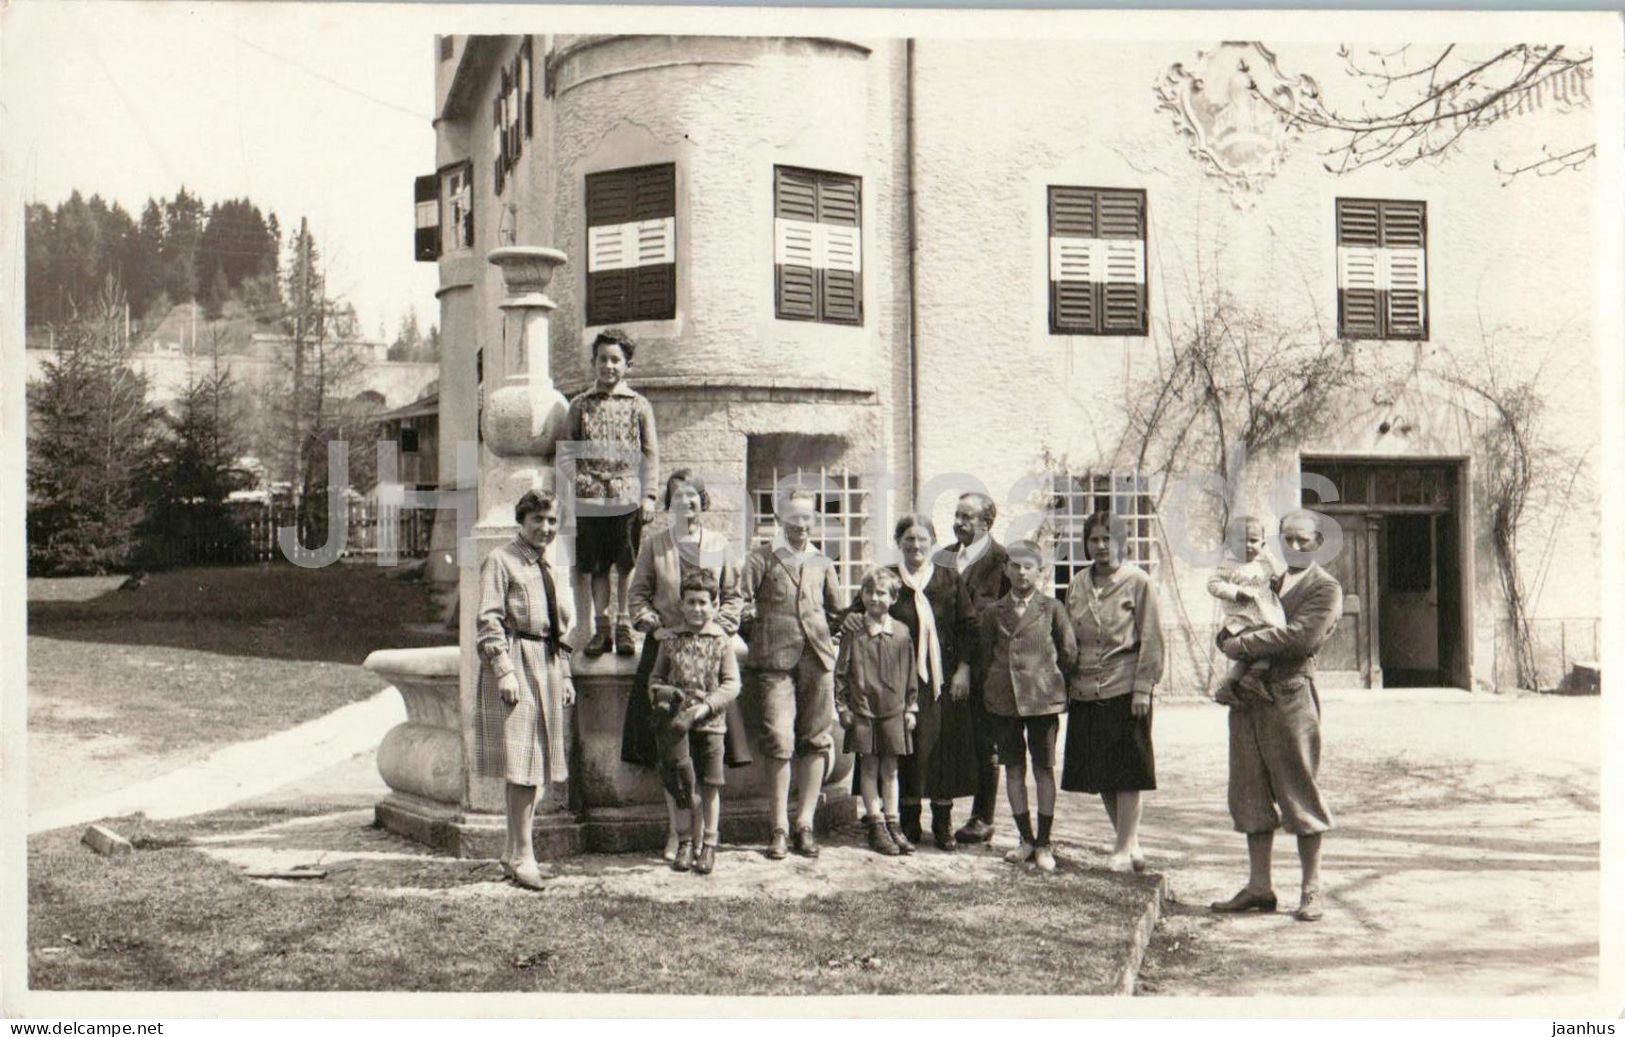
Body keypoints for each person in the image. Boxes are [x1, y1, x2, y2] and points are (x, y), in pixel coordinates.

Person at [1211, 509, 1342, 923]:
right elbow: (1229, 624)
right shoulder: (1267, 579)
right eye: (1288, 538)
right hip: (1248, 699)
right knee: (1248, 791)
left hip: (1290, 696)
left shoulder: (1325, 588)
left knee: (1298, 789)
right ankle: (1259, 886)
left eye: (1304, 539)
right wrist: (1229, 639)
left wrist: (1240, 646)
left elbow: (1300, 637)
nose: (1296, 546)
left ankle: (1311, 889)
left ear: (1319, 543)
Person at [624, 469, 751, 861]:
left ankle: (707, 838)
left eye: (694, 496)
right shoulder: (654, 544)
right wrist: (655, 628)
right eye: (679, 496)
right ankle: (675, 833)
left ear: (703, 501)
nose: (687, 503)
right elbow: (637, 597)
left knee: (708, 754)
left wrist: (718, 629)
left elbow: (734, 596)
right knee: (670, 751)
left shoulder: (718, 544)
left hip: (709, 656)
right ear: (669, 502)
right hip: (667, 649)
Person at [842, 513, 981, 849]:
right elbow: (852, 613)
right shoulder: (888, 579)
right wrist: (851, 620)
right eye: (909, 539)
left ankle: (943, 820)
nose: (915, 546)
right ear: (899, 542)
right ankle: (906, 820)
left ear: (932, 543)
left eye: (922, 539)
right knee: (903, 748)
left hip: (942, 679)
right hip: (894, 681)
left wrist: (963, 670)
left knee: (941, 749)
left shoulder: (948, 579)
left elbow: (969, 628)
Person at [472, 489, 576, 891]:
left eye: (552, 521)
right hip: (517, 662)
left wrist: (564, 674)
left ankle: (514, 851)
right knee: (521, 764)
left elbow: (558, 628)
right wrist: (504, 671)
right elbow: (489, 621)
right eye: (539, 520)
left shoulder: (548, 566)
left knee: (536, 766)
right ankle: (521, 855)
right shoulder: (502, 561)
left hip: (545, 663)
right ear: (522, 520)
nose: (546, 528)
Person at [740, 486, 844, 861]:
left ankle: (805, 824)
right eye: (794, 518)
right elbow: (739, 602)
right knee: (780, 739)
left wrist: (833, 640)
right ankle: (779, 827)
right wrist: (756, 634)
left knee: (817, 739)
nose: (801, 525)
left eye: (807, 518)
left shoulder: (822, 562)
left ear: (814, 520)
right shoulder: (762, 558)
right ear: (780, 518)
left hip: (817, 661)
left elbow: (837, 611)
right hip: (774, 663)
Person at [1061, 511, 1164, 873]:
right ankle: (1129, 843)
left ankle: (1122, 846)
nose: (1101, 546)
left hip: (1124, 685)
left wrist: (1143, 689)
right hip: (1086, 688)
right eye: (1094, 539)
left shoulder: (1139, 582)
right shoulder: (1077, 583)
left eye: (1109, 538)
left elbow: (1151, 637)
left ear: (1123, 542)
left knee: (1127, 770)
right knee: (1102, 771)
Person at [973, 539, 1077, 873]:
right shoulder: (993, 612)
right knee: (1013, 769)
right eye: (1015, 566)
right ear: (1005, 569)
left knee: (1043, 769)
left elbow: (1069, 653)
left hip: (1042, 701)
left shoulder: (1052, 609)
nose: (1021, 573)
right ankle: (1025, 839)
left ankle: (1045, 842)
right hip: (1004, 702)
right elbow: (984, 656)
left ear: (1039, 571)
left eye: (1028, 566)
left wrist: (1055, 686)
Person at [563, 328, 659, 658]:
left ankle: (624, 626)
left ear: (627, 365)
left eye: (616, 360)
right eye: (602, 359)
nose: (609, 366)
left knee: (625, 563)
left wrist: (649, 496)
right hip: (589, 496)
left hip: (627, 494)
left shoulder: (639, 405)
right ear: (594, 362)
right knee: (597, 566)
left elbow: (651, 454)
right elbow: (566, 454)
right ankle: (601, 628)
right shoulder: (579, 405)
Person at [647, 569, 742, 876]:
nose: (697, 609)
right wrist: (662, 695)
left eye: (703, 602)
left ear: (714, 605)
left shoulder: (721, 641)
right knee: (680, 786)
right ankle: (685, 841)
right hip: (676, 727)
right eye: (691, 602)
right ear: (682, 603)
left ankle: (710, 844)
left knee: (711, 785)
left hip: (711, 724)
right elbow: (656, 678)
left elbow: (731, 684)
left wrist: (706, 707)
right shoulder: (670, 640)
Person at [933, 492, 1011, 846]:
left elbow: (1010, 618)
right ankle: (935, 816)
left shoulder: (1003, 562)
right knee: (943, 738)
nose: (959, 523)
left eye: (967, 517)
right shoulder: (943, 558)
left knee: (985, 742)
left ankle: (983, 817)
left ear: (986, 523)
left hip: (985, 668)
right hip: (940, 665)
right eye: (957, 515)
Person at [837, 566, 920, 856]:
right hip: (863, 711)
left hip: (893, 710)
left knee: (891, 769)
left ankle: (893, 823)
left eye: (881, 592)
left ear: (894, 598)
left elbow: (910, 673)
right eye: (869, 592)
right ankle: (876, 825)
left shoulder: (901, 633)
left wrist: (911, 707)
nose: (874, 598)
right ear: (861, 595)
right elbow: (841, 672)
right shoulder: (853, 632)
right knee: (869, 767)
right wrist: (843, 706)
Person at [1206, 515, 1285, 706]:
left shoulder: (1265, 562)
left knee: (1270, 643)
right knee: (1262, 645)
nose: (1248, 545)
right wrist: (1236, 592)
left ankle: (1233, 683)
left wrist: (1275, 582)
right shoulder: (1228, 564)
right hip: (1241, 620)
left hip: (1265, 615)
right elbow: (1213, 584)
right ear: (1230, 543)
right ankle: (1252, 678)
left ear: (1263, 543)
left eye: (1254, 540)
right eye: (1242, 540)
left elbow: (1276, 579)